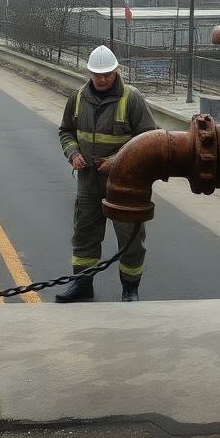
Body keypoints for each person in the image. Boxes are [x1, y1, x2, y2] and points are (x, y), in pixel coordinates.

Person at [56, 44, 158, 303]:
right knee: (85, 234)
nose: (103, 79)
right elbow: (66, 131)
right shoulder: (78, 98)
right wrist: (73, 154)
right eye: (97, 74)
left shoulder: (131, 99)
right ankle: (82, 284)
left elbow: (148, 140)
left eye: (108, 74)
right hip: (89, 182)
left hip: (125, 184)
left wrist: (116, 161)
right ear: (89, 72)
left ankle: (130, 289)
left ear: (116, 71)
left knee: (130, 237)